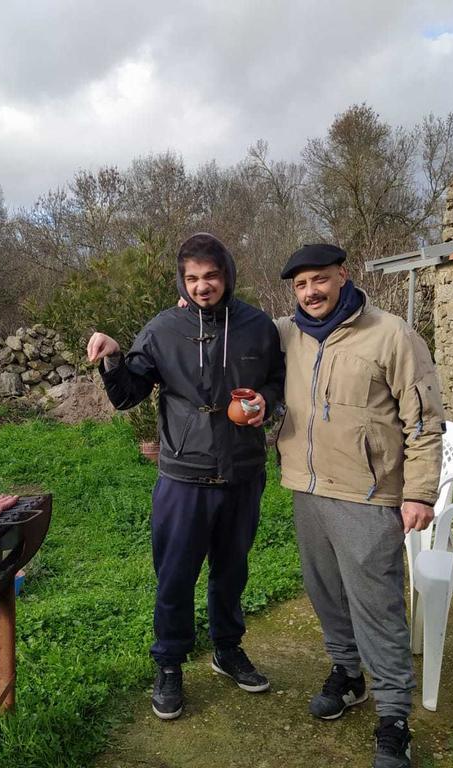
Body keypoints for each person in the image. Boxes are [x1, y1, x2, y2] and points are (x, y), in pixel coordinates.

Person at [86, 233, 285, 721]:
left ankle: (227, 649)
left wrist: (266, 402)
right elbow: (128, 394)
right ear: (181, 280)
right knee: (174, 577)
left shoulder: (258, 326)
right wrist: (113, 356)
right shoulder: (162, 329)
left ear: (227, 276)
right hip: (183, 476)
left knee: (232, 571)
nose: (202, 287)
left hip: (241, 472)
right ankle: (170, 664)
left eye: (211, 276)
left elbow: (278, 382)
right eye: (192, 278)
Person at [275, 243, 444, 768]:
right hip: (307, 488)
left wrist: (418, 491)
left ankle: (394, 717)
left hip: (369, 497)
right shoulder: (288, 334)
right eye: (301, 285)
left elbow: (423, 418)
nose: (312, 292)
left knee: (378, 608)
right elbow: (232, 331)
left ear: (342, 276)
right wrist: (196, 310)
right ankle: (348, 676)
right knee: (326, 594)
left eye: (320, 280)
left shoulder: (390, 334)